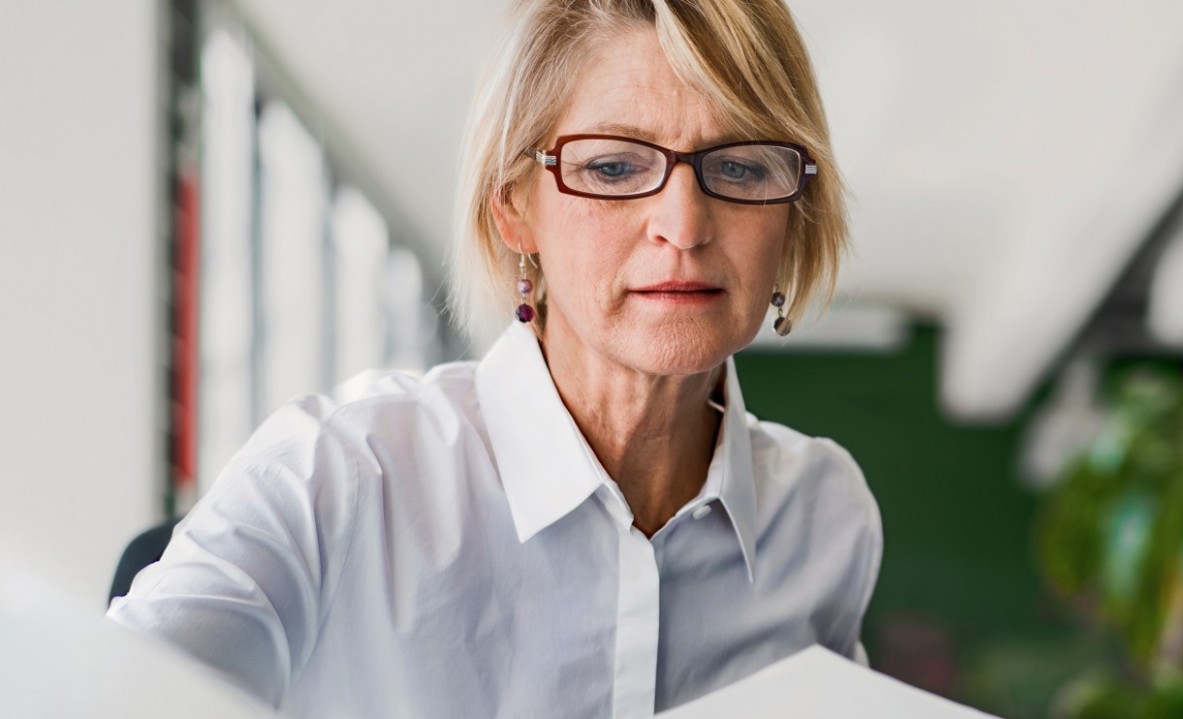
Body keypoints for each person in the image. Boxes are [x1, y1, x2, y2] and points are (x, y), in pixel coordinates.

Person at [107, 0, 879, 715]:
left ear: (794, 210)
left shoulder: (825, 519)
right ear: (513, 207)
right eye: (613, 167)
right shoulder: (336, 478)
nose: (682, 224)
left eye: (742, 168)